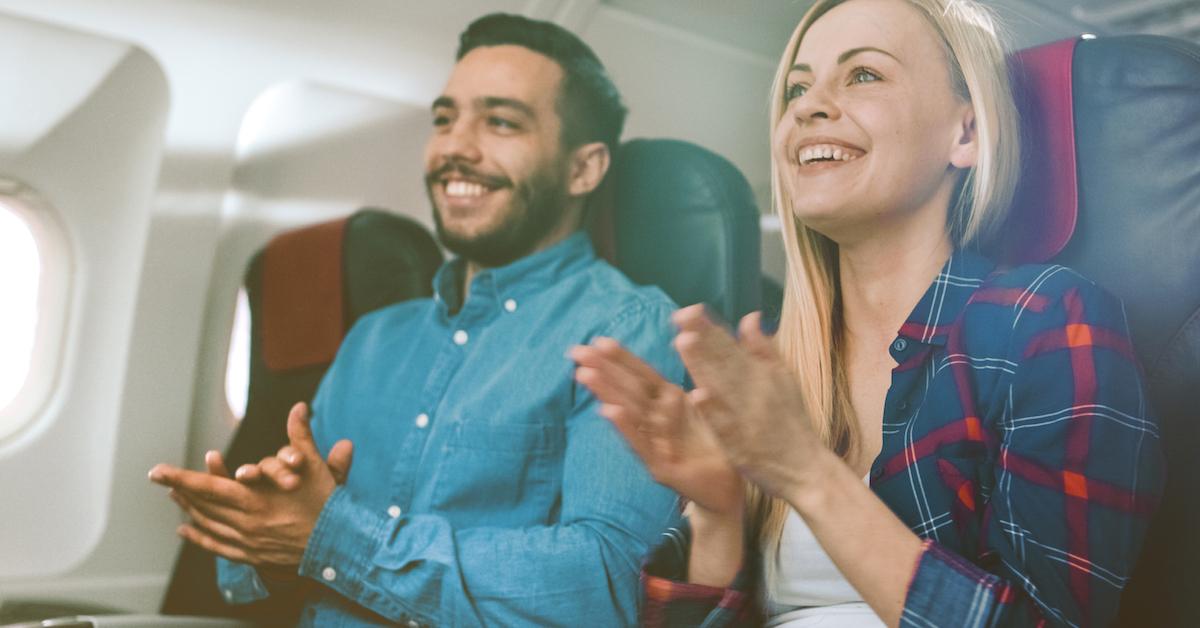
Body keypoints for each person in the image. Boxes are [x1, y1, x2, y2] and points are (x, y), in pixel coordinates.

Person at [571, 0, 1164, 626]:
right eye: (797, 88)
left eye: (863, 75)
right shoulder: (769, 362)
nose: (807, 106)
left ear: (965, 134)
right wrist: (717, 507)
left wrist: (808, 475)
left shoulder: (1044, 323)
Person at [148, 13, 685, 627]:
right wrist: (260, 532)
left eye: (501, 122)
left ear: (583, 169)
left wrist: (333, 541)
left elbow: (605, 584)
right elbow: (265, 575)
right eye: (444, 119)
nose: (455, 147)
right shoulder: (374, 339)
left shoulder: (629, 329)